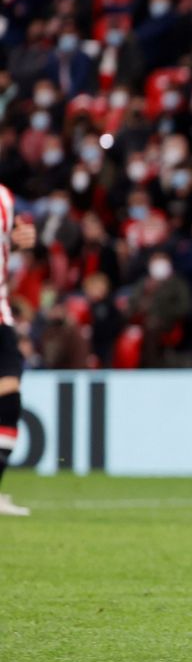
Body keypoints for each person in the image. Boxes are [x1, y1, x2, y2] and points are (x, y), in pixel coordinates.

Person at [0, 184, 34, 516]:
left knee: (9, 397)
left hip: (0, 313)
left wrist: (20, 239)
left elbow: (16, 236)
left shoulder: (5, 198)